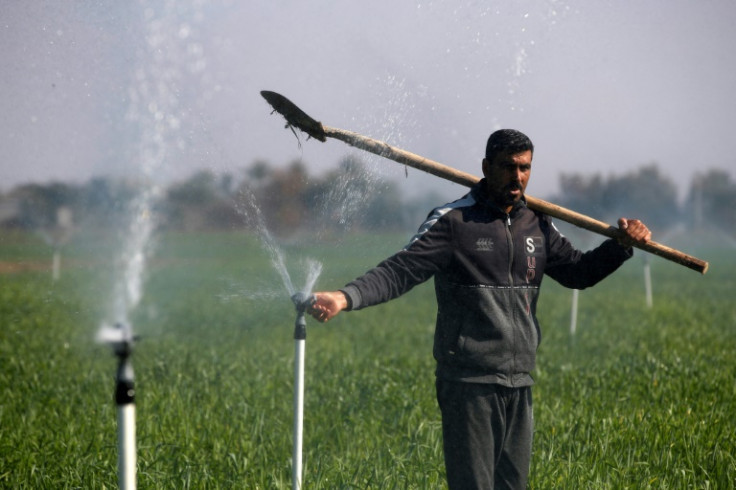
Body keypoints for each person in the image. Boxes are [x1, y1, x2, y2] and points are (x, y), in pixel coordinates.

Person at [307, 129, 651, 489]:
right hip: (469, 383)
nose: (517, 177)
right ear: (486, 167)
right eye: (507, 167)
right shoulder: (454, 222)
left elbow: (579, 273)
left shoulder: (537, 224)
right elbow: (400, 270)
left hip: (520, 380)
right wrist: (345, 297)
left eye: (525, 168)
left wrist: (621, 246)